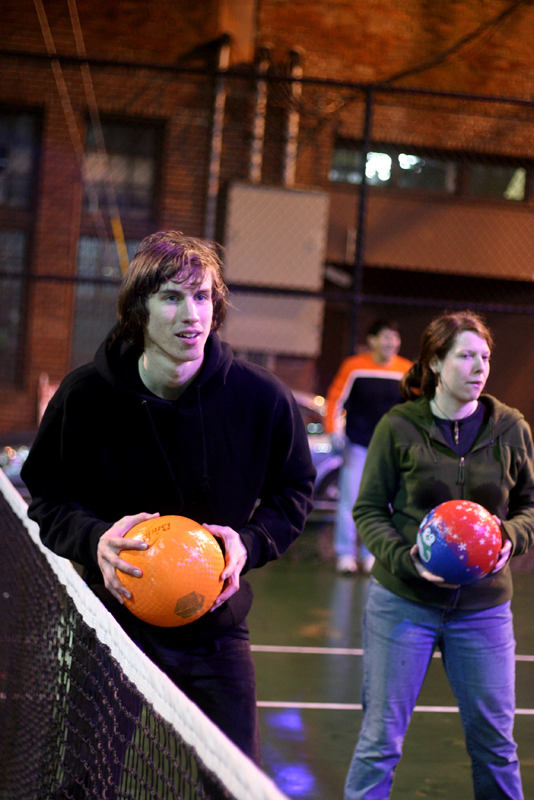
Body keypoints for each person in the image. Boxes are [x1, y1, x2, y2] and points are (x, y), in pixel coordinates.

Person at [21, 231, 316, 771]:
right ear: (140, 310)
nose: (192, 313)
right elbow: (49, 495)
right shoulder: (85, 397)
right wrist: (94, 540)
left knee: (233, 779)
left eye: (202, 296)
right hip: (111, 625)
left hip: (215, 627)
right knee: (86, 778)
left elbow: (293, 491)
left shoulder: (262, 400)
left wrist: (249, 543)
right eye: (172, 297)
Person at [344, 310, 534, 800]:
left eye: (485, 357)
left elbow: (530, 505)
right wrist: (405, 560)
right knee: (379, 743)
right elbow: (367, 509)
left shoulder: (511, 428)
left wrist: (510, 537)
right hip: (403, 604)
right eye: (466, 356)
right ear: (434, 362)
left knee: (496, 745)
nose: (479, 367)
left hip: (483, 610)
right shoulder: (399, 425)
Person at [325, 319, 411, 574]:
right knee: (349, 502)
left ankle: (371, 554)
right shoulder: (354, 366)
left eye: (395, 338)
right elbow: (335, 399)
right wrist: (333, 431)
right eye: (386, 337)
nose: (391, 343)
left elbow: (413, 408)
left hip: (389, 450)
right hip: (357, 446)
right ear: (372, 340)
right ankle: (345, 555)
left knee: (384, 503)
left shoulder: (405, 369)